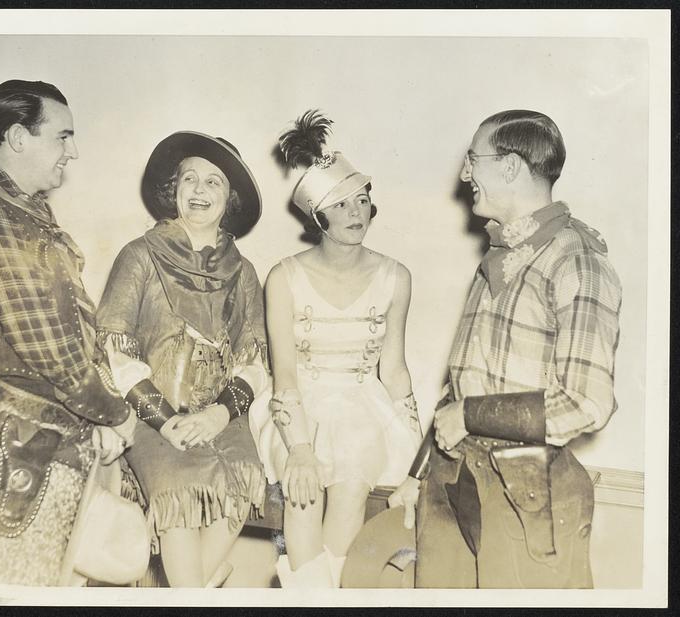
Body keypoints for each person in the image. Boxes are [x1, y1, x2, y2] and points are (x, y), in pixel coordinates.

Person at [390, 109, 622, 588]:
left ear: (511, 166)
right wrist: (415, 477)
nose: (463, 174)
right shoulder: (498, 258)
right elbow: (459, 389)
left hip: (528, 501)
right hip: (453, 488)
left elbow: (586, 403)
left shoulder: (577, 260)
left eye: (474, 160)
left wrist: (471, 416)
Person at [0, 80, 137, 585]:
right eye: (62, 137)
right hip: (9, 443)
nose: (74, 151)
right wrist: (117, 413)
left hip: (34, 433)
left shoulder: (20, 208)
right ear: (19, 137)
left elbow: (71, 327)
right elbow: (55, 351)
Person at [250, 110, 423, 588]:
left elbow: (395, 368)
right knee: (303, 491)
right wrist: (300, 450)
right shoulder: (284, 277)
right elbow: (284, 373)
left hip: (361, 403)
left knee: (349, 485)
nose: (356, 214)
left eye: (362, 201)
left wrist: (416, 441)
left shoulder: (396, 276)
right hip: (296, 405)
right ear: (318, 216)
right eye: (342, 205)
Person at [95, 131, 268, 588]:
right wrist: (165, 420)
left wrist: (218, 414)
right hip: (152, 416)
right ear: (173, 189)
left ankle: (187, 591)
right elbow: (114, 349)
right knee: (178, 496)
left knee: (246, 478)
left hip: (220, 416)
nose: (198, 190)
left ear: (229, 200)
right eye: (189, 178)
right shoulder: (139, 256)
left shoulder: (244, 272)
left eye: (214, 182)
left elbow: (255, 360)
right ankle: (197, 591)